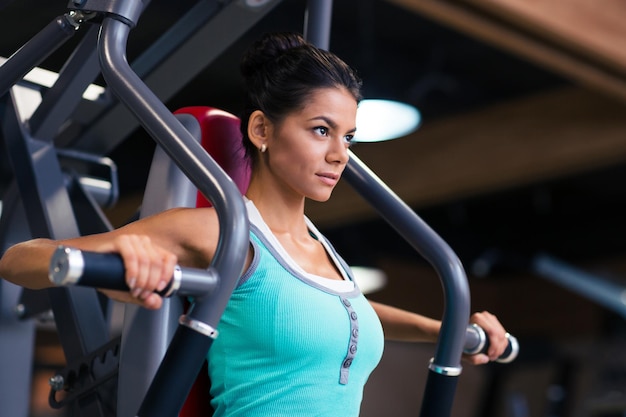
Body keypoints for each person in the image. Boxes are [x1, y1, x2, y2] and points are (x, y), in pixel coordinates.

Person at [0, 32, 509, 416]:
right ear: (262, 129)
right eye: (320, 130)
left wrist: (447, 333)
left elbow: (337, 308)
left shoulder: (320, 250)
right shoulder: (221, 233)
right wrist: (130, 255)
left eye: (348, 137)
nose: (339, 155)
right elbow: (18, 260)